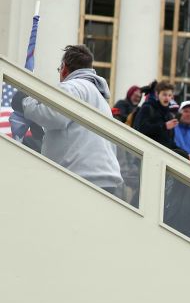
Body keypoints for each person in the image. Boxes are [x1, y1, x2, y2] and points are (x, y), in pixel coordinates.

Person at [16, 44, 123, 196]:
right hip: (103, 178)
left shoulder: (72, 86)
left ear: (64, 68)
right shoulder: (98, 97)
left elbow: (53, 115)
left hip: (81, 178)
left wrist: (24, 103)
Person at [133, 80, 178, 151]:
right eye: (164, 94)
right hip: (145, 152)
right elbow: (142, 129)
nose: (167, 98)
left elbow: (169, 142)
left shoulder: (169, 115)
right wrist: (164, 126)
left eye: (169, 95)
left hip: (162, 154)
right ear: (157, 94)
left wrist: (187, 155)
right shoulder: (148, 108)